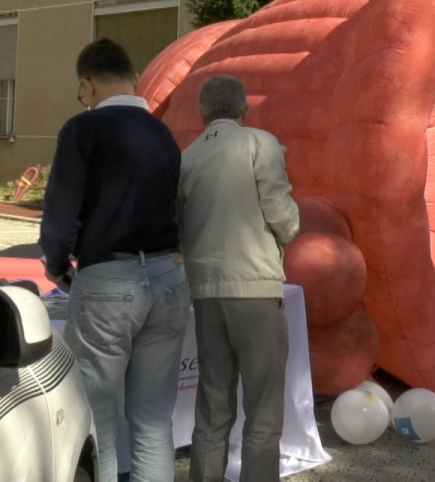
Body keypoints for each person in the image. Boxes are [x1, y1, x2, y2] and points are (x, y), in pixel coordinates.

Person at [38, 38, 190, 482]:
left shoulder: (82, 131)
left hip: (108, 279)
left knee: (96, 415)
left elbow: (61, 210)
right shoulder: (162, 134)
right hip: (167, 278)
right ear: (133, 77)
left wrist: (55, 263)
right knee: (153, 418)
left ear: (87, 84)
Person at [178, 74, 300, 482]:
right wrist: (292, 226)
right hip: (255, 289)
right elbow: (282, 215)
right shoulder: (260, 142)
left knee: (212, 408)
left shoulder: (187, 157)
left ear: (202, 112)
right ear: (243, 110)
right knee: (263, 412)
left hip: (206, 293)